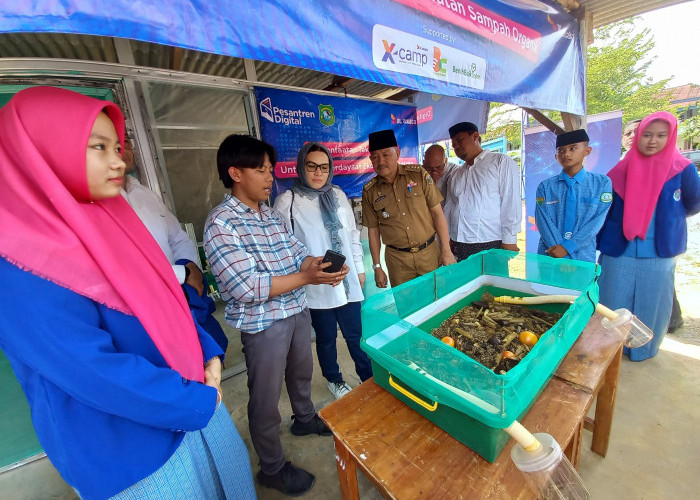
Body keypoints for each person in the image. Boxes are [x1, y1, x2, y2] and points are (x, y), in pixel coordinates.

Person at [0, 87, 256, 500]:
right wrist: (193, 402)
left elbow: (168, 298)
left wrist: (206, 350)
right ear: (39, 152)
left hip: (193, 399)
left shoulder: (113, 221)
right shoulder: (16, 263)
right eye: (98, 147)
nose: (118, 160)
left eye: (116, 146)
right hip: (130, 450)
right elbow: (91, 369)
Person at [203, 135, 347, 496]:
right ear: (235, 172)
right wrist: (307, 276)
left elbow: (296, 251)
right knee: (265, 399)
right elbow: (246, 287)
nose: (270, 177)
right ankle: (272, 467)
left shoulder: (269, 215)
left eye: (270, 169)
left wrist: (317, 265)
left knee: (302, 374)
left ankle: (303, 418)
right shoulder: (221, 224)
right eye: (260, 170)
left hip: (296, 311)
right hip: (263, 324)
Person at [597, 111, 700, 361]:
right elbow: (605, 210)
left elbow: (693, 202)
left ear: (671, 137)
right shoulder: (619, 171)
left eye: (661, 135)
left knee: (653, 301)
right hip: (619, 248)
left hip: (659, 249)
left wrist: (668, 221)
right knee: (611, 298)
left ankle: (643, 350)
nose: (653, 141)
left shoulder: (682, 169)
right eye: (647, 135)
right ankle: (609, 350)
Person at [274, 143, 372, 400]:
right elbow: (284, 248)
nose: (318, 173)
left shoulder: (338, 195)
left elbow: (351, 234)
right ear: (301, 167)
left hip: (347, 279)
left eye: (324, 167)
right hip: (316, 284)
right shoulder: (288, 202)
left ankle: (368, 377)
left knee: (356, 335)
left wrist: (360, 270)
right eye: (312, 166)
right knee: (326, 338)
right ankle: (334, 380)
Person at [121, 139, 228, 353]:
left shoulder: (145, 194)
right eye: (104, 145)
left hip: (180, 296)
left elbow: (177, 237)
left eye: (125, 142)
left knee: (208, 360)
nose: (122, 150)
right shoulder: (93, 205)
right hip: (143, 310)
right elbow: (123, 264)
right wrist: (183, 273)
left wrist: (190, 267)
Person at [361, 129, 455, 288]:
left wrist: (446, 249)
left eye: (386, 155)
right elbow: (373, 232)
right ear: (371, 159)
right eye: (375, 157)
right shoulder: (369, 191)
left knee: (437, 301)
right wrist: (377, 267)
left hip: (429, 254)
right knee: (407, 309)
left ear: (397, 154)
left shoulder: (418, 175)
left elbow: (437, 213)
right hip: (398, 262)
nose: (380, 161)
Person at [622, 119, 683, 331]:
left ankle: (671, 321)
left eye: (637, 133)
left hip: (657, 242)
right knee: (622, 295)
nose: (633, 137)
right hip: (623, 244)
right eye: (628, 133)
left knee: (655, 291)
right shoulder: (620, 166)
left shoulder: (675, 167)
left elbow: (692, 202)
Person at [444, 122, 522, 261]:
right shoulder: (456, 174)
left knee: (491, 282)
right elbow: (449, 208)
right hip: (458, 242)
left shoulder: (500, 162)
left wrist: (509, 239)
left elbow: (510, 203)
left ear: (475, 136)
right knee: (463, 282)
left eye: (460, 140)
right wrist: (447, 239)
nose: (456, 146)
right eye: (453, 143)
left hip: (490, 241)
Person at [534, 129, 613, 262]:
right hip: (550, 254)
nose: (566, 154)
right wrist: (560, 250)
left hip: (582, 255)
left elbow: (597, 221)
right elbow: (543, 221)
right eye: (561, 150)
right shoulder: (545, 186)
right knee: (547, 283)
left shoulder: (601, 183)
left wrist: (568, 247)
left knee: (580, 283)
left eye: (573, 148)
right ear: (556, 156)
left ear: (587, 151)